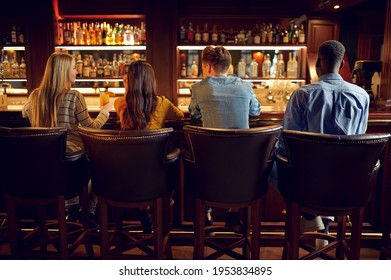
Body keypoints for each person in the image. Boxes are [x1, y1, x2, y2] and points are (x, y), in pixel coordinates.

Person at [272, 40, 369, 248]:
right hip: (348, 183)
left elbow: (286, 142)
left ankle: (310, 214)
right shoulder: (362, 96)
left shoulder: (303, 94)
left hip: (308, 184)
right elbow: (360, 137)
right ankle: (324, 220)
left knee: (270, 163)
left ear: (318, 63)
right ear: (343, 63)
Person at [22, 51, 112, 229]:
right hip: (71, 166)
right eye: (73, 68)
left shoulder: (34, 96)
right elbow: (91, 129)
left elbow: (24, 112)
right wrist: (105, 112)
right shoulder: (74, 96)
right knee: (102, 164)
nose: (77, 71)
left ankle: (71, 209)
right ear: (64, 71)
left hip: (41, 168)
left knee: (72, 162)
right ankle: (87, 211)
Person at [188, 45, 261, 233]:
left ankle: (205, 210)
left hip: (210, 170)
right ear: (228, 67)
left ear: (209, 67)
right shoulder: (245, 86)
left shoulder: (198, 88)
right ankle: (234, 213)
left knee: (195, 157)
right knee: (237, 160)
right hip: (244, 175)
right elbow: (255, 111)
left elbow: (194, 114)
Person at [114, 60, 184, 233]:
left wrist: (127, 90)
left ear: (128, 80)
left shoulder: (120, 104)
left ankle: (144, 210)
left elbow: (130, 102)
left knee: (139, 168)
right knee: (170, 162)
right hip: (155, 178)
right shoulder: (163, 103)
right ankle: (165, 204)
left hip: (123, 176)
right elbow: (181, 116)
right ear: (152, 81)